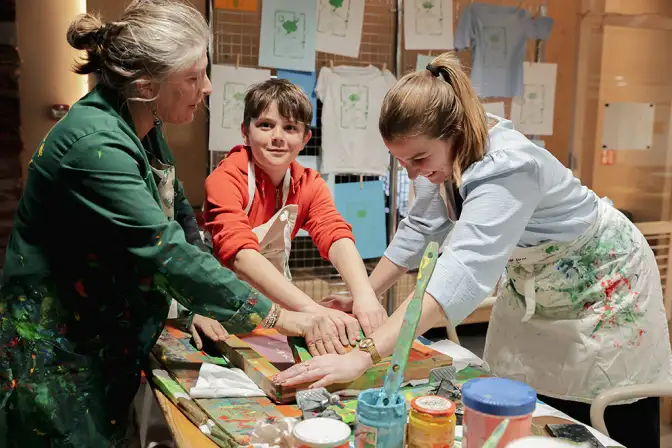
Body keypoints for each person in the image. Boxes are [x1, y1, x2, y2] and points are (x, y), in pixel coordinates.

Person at [275, 52, 672, 448]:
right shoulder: (445, 153)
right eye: (401, 161)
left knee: (601, 407)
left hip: (604, 282)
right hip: (537, 276)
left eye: (418, 159)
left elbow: (458, 273)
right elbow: (419, 229)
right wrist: (364, 295)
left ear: (456, 131)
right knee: (521, 396)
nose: (413, 172)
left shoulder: (508, 166)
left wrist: (363, 356)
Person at [0, 2, 329, 446]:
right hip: (61, 355)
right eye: (193, 78)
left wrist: (195, 309)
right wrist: (280, 317)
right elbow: (165, 250)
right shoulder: (94, 146)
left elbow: (178, 214)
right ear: (146, 84)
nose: (208, 87)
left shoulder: (141, 118)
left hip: (107, 337)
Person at [199, 79, 387, 356]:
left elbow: (335, 235)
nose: (278, 137)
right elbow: (239, 253)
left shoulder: (308, 184)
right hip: (217, 306)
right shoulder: (225, 179)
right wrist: (311, 310)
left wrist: (364, 296)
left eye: (290, 128)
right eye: (265, 125)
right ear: (245, 131)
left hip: (275, 305)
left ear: (305, 139)